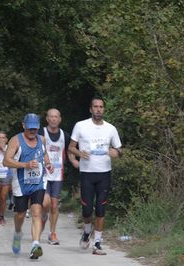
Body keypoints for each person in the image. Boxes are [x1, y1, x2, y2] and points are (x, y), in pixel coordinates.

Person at [68, 96, 123, 255]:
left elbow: (120, 150)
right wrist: (80, 153)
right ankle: (86, 231)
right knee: (86, 210)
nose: (98, 109)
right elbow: (71, 147)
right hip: (87, 173)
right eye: (95, 107)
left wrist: (116, 153)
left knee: (100, 208)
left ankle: (98, 242)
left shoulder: (110, 128)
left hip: (104, 174)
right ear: (90, 109)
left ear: (103, 110)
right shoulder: (81, 126)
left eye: (101, 107)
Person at [3, 113, 53, 260]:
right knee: (20, 214)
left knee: (37, 211)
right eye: (30, 128)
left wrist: (48, 164)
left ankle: (35, 245)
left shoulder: (42, 139)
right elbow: (6, 161)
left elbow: (44, 154)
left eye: (35, 129)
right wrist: (25, 165)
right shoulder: (15, 141)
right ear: (23, 125)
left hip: (38, 181)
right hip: (21, 183)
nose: (32, 132)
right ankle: (18, 233)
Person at [39, 108, 79, 245]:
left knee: (55, 205)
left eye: (56, 116)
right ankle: (44, 216)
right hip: (42, 175)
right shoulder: (41, 133)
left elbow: (69, 151)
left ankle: (52, 233)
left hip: (57, 175)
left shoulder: (65, 136)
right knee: (45, 204)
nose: (54, 119)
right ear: (47, 119)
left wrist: (73, 160)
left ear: (60, 119)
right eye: (51, 116)